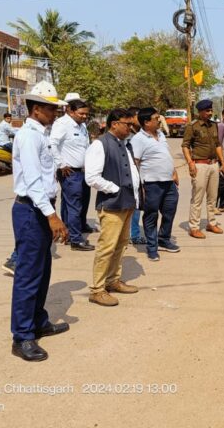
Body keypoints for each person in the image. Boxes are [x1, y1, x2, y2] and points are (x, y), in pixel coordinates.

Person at [10, 81, 70, 362]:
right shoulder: (28, 136)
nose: (55, 113)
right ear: (36, 109)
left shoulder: (42, 134)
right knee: (28, 276)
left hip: (42, 208)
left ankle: (38, 322)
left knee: (42, 271)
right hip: (32, 210)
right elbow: (33, 182)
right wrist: (52, 215)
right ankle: (22, 337)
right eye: (50, 109)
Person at [85, 108, 141, 307]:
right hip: (111, 204)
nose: (130, 128)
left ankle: (113, 280)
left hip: (127, 203)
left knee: (121, 244)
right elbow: (91, 177)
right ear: (115, 124)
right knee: (107, 247)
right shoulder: (100, 145)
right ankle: (97, 289)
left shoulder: (125, 145)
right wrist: (114, 188)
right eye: (127, 125)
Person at [131, 107, 180, 261]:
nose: (159, 120)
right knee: (151, 215)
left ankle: (164, 240)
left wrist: (174, 172)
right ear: (146, 122)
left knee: (169, 213)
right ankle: (152, 247)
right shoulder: (138, 139)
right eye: (156, 118)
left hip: (169, 183)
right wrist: (140, 188)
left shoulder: (160, 134)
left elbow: (165, 155)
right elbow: (135, 164)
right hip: (151, 184)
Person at [50, 99, 94, 251]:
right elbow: (52, 144)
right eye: (81, 114)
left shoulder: (82, 126)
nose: (84, 117)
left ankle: (70, 232)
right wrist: (60, 164)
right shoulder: (62, 124)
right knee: (74, 205)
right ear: (70, 111)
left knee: (80, 204)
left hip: (83, 171)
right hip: (70, 172)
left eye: (86, 114)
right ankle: (76, 239)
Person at [181, 99, 224, 239]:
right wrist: (190, 163)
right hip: (199, 165)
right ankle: (194, 227)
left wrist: (223, 162)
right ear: (200, 112)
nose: (210, 113)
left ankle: (211, 223)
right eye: (207, 111)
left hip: (214, 165)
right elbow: (185, 146)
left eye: (211, 110)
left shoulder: (214, 125)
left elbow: (218, 144)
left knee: (212, 197)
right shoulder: (192, 126)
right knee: (197, 197)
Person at [127, 107, 145, 245]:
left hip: (138, 174)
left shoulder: (139, 134)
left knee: (137, 205)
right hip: (128, 174)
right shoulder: (128, 135)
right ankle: (130, 235)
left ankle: (134, 234)